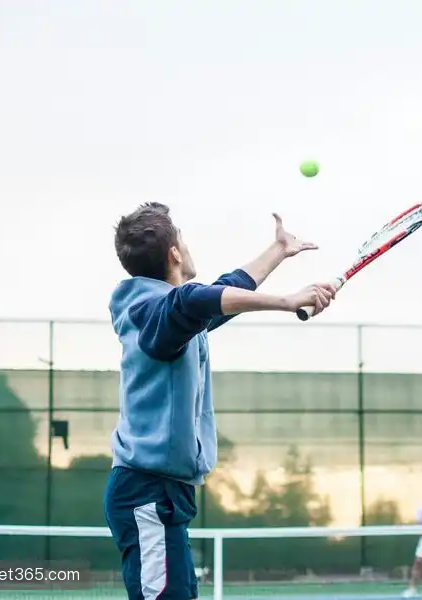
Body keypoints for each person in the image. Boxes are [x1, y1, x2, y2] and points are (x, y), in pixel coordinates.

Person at [103, 203, 336, 600]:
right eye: (183, 239)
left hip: (164, 493)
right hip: (147, 493)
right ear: (174, 253)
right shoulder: (155, 313)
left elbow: (218, 293)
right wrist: (288, 301)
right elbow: (194, 300)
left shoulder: (167, 314)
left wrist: (278, 252)